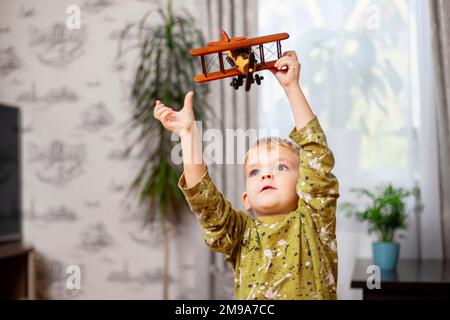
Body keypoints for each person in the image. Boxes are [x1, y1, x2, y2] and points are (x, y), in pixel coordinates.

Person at [154, 51, 339, 300]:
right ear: (246, 199)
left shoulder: (314, 220)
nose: (266, 176)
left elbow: (316, 155)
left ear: (303, 183)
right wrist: (187, 134)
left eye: (280, 167)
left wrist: (291, 87)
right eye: (255, 172)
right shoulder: (241, 234)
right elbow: (205, 202)